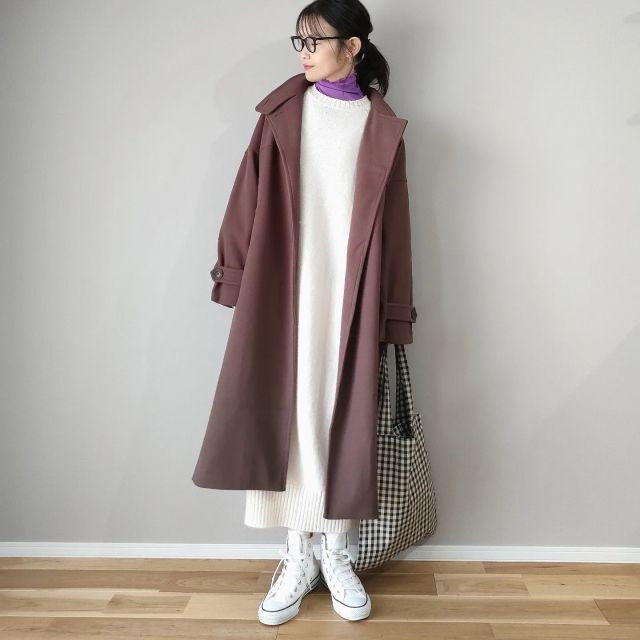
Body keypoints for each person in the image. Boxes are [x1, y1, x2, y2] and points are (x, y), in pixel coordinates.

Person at [241, 0, 396, 626]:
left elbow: (398, 230)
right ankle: (296, 554)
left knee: (340, 417)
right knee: (289, 415)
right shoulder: (283, 114)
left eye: (316, 40)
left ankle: (337, 551)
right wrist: (235, 276)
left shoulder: (381, 126)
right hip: (285, 290)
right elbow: (246, 198)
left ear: (352, 47)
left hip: (352, 293)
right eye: (298, 41)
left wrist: (394, 310)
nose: (304, 52)